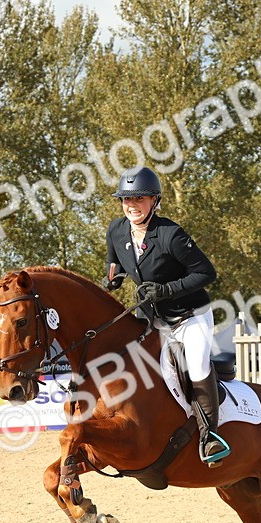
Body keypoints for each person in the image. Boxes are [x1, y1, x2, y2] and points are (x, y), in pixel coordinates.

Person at [102, 165, 229, 466]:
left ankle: (211, 437)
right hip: (154, 322)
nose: (132, 205)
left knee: (195, 366)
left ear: (155, 201)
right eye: (126, 200)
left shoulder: (171, 234)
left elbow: (206, 273)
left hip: (190, 316)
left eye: (140, 199)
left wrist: (166, 290)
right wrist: (113, 278)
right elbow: (113, 262)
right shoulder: (116, 230)